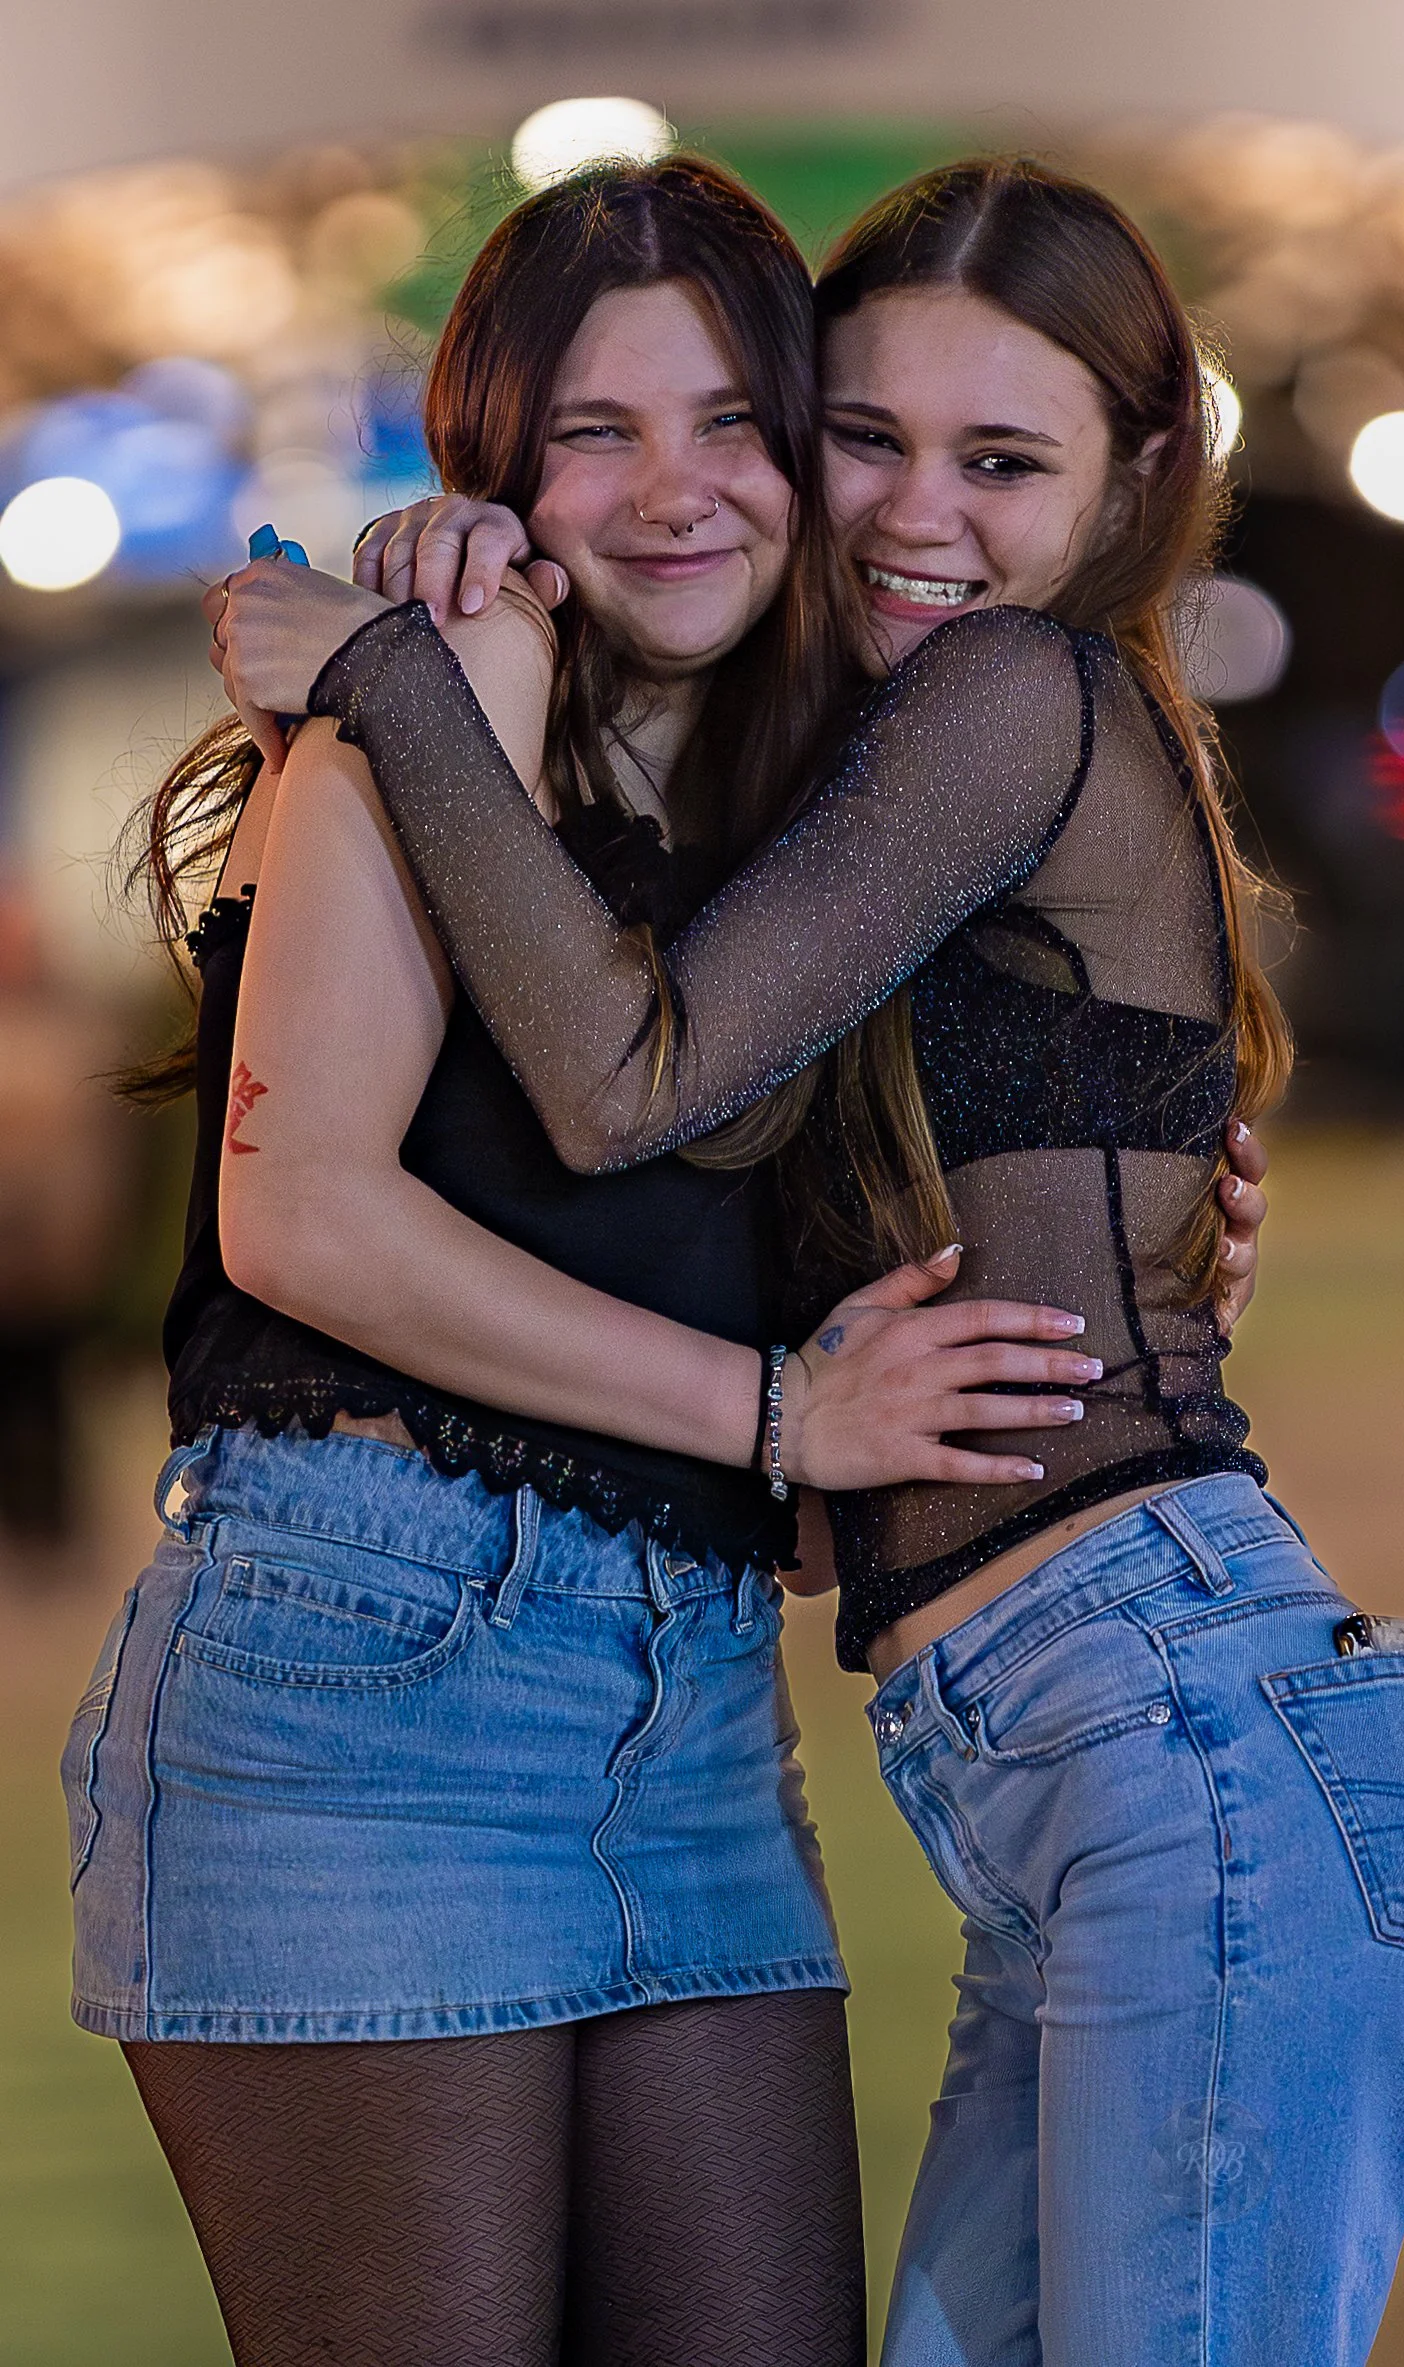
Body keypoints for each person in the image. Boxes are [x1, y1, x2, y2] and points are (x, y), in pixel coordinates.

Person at [223, 157, 1404, 2366]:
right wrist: (447, 584)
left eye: (1004, 460)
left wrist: (384, 674)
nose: (920, 510)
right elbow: (718, 1166)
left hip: (1189, 1739)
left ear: (1134, 481)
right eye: (867, 435)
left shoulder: (1017, 691)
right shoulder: (892, 762)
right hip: (1083, 1770)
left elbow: (636, 1083)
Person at [65, 159, 1176, 2367]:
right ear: (500, 464)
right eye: (593, 431)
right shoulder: (439, 696)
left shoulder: (830, 799)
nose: (673, 492)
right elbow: (303, 1212)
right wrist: (771, 1413)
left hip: (686, 1706)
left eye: (728, 421)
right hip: (361, 1677)